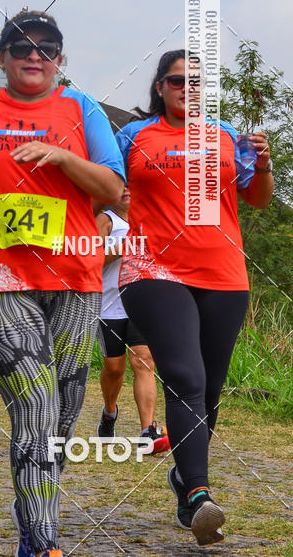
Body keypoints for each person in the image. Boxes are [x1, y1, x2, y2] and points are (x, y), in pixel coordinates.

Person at [0, 10, 125, 557]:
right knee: (35, 404)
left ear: (60, 57)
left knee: (61, 413)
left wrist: (63, 156)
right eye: (21, 46)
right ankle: (42, 542)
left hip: (76, 275)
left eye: (48, 46)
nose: (34, 54)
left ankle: (32, 501)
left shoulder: (80, 108)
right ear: (2, 57)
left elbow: (113, 189)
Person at [116, 49, 273, 546]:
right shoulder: (133, 137)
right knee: (185, 377)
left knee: (210, 387)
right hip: (153, 269)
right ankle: (200, 494)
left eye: (198, 82)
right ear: (160, 87)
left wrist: (264, 165)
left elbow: (257, 198)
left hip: (224, 273)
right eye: (178, 80)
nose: (188, 88)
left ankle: (185, 481)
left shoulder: (228, 137)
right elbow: (100, 185)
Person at [95, 188, 168, 453]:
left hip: (140, 302)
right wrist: (124, 247)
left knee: (143, 360)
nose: (127, 190)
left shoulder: (149, 220)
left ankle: (147, 431)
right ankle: (109, 412)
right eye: (121, 185)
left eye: (131, 186)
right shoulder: (106, 220)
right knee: (114, 368)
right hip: (108, 307)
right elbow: (90, 259)